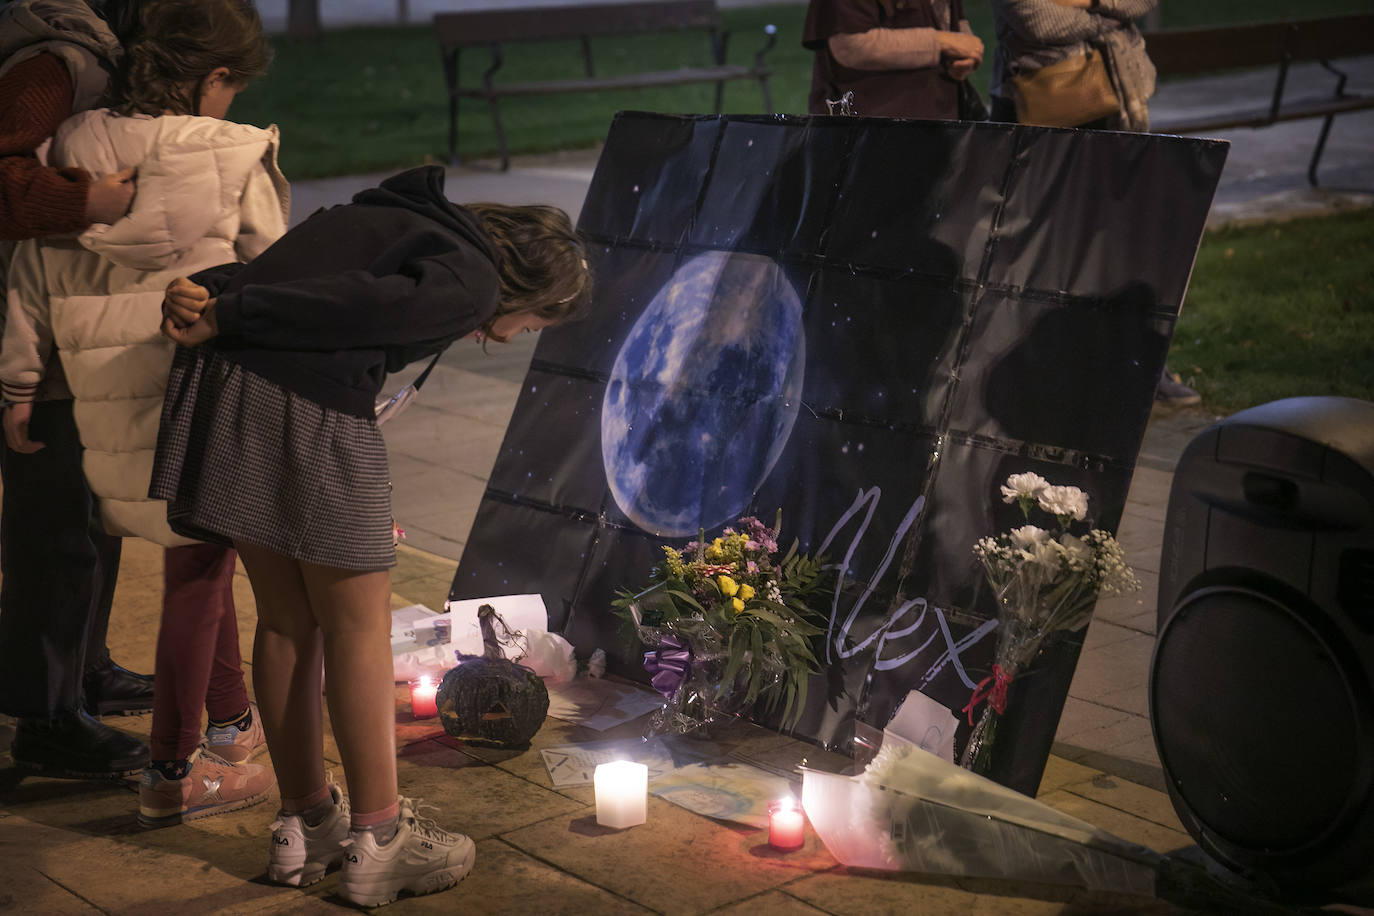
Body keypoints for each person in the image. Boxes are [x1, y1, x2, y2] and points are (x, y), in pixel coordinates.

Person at [150, 164, 590, 904]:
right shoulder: (472, 280)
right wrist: (231, 312)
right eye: (536, 322)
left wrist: (222, 294)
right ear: (533, 292)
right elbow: (357, 303)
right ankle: (381, 840)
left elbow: (296, 273)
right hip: (306, 408)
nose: (514, 334)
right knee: (356, 628)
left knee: (286, 623)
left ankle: (306, 822)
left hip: (231, 393)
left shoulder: (402, 221)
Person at [0, 0, 282, 819]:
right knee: (178, 555)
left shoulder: (80, 130)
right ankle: (138, 750)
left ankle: (119, 696)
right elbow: (271, 275)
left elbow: (26, 274)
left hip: (81, 376)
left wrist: (16, 380)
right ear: (213, 76)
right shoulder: (64, 68)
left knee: (108, 541)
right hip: (173, 387)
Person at [0, 0, 153, 781]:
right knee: (52, 525)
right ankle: (43, 718)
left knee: (92, 510)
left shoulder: (86, 54)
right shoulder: (51, 61)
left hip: (66, 330)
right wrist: (87, 202)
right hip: (28, 334)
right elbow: (6, 175)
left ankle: (82, 675)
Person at [986, 0, 1200, 406]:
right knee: (1044, 250)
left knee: (1123, 243)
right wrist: (1108, 12)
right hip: (1038, 102)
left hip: (1117, 95)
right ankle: (1048, 377)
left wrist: (1082, 3)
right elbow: (1034, 16)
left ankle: (1139, 366)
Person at [802, 0, 984, 118]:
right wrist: (941, 42)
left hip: (939, 118)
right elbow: (850, 45)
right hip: (870, 130)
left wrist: (965, 51)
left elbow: (949, 15)